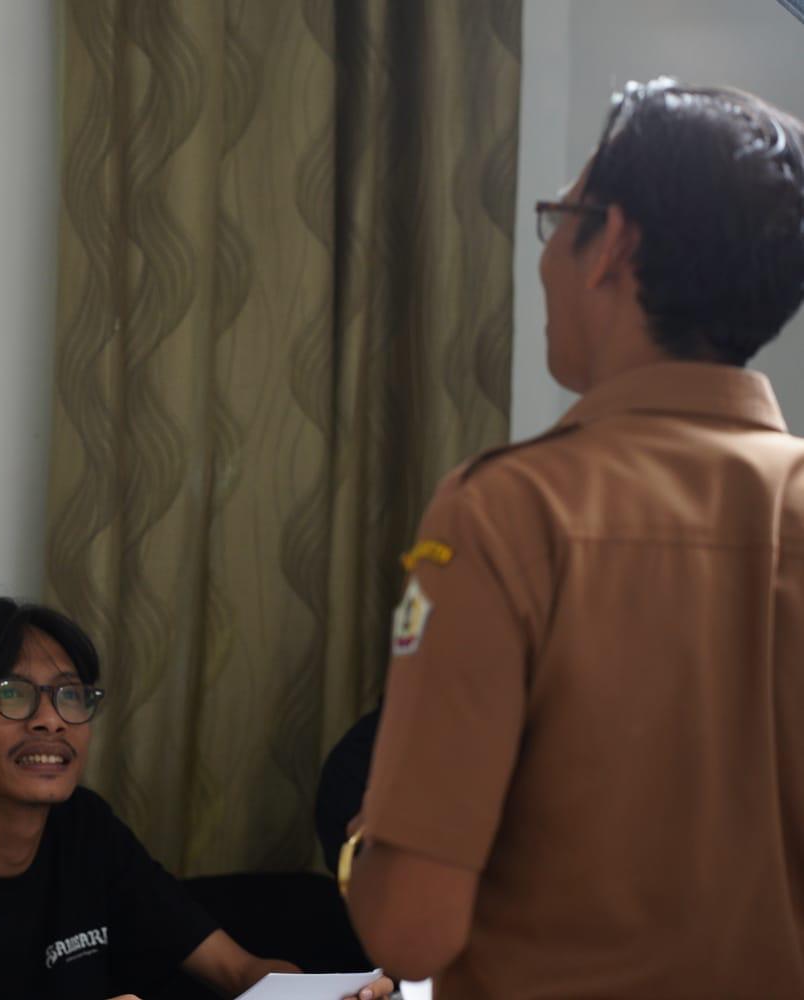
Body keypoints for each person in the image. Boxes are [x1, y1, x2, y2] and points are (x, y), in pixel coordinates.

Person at [342, 79, 804, 996]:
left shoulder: (506, 512)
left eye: (561, 219)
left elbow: (411, 929)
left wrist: (370, 845)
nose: (547, 255)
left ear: (614, 246)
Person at [0, 596, 393, 1000]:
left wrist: (324, 992)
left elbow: (237, 971)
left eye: (71, 696)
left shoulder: (85, 829)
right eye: (13, 694)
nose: (52, 720)